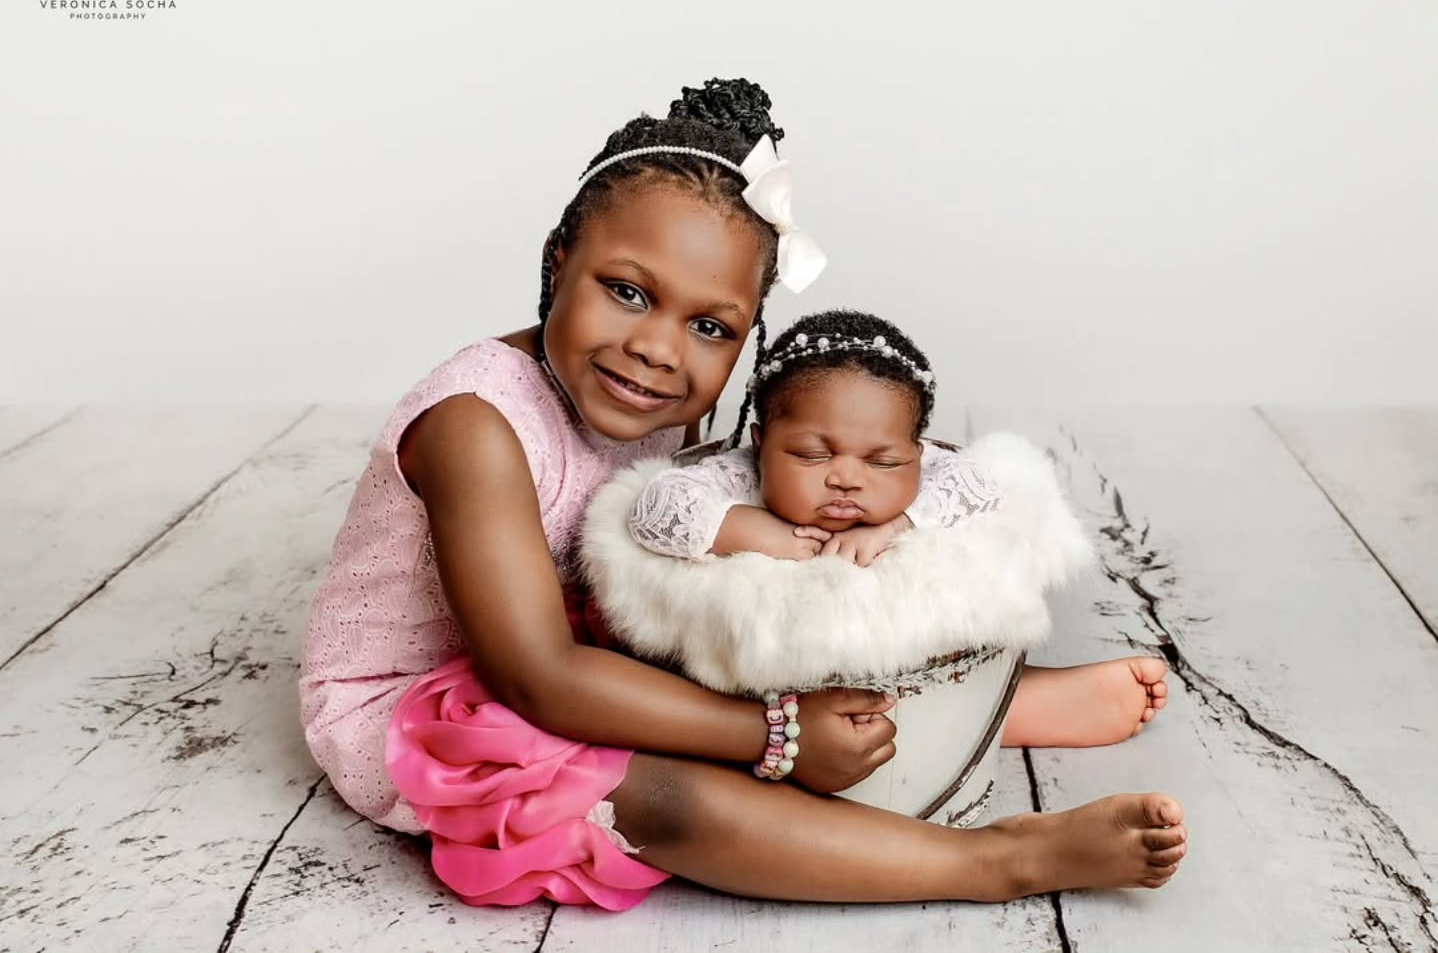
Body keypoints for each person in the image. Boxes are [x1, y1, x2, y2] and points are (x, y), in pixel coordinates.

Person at [298, 77, 1188, 913]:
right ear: (558, 261)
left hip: (581, 644)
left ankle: (961, 707)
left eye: (709, 326)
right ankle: (993, 861)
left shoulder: (645, 393)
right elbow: (536, 678)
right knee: (667, 796)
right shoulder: (475, 425)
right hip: (446, 708)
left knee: (762, 579)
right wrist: (776, 735)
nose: (658, 349)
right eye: (627, 292)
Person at [624, 307, 1170, 749]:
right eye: (811, 454)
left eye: (883, 462)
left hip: (902, 651)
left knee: (923, 666)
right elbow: (654, 509)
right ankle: (1000, 713)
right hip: (762, 676)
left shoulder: (933, 471)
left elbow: (978, 484)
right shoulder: (736, 474)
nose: (846, 478)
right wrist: (757, 532)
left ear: (917, 453)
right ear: (761, 442)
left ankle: (1002, 710)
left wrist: (898, 525)